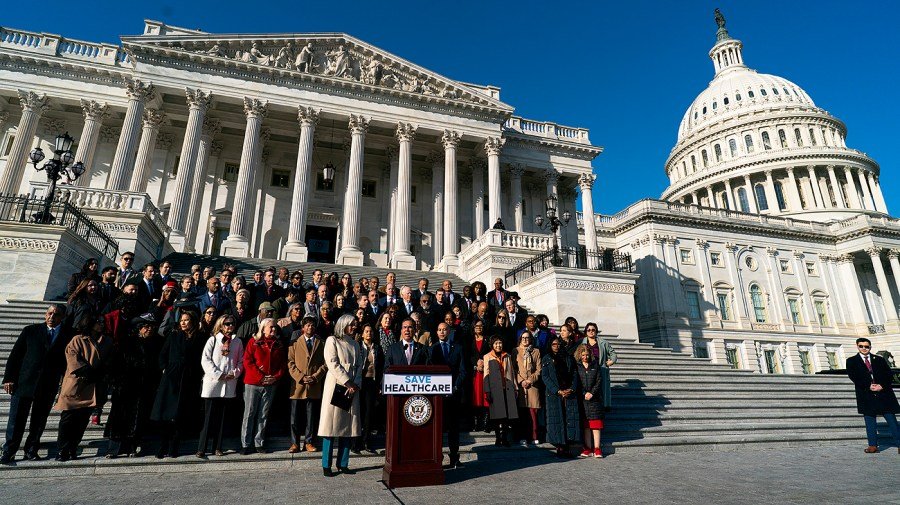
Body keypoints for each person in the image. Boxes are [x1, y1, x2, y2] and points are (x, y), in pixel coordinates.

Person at [1, 305, 70, 464]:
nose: (52, 317)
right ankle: (9, 451)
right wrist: (9, 378)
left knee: (39, 421)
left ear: (62, 317)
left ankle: (31, 450)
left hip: (48, 385)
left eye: (56, 314)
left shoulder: (68, 335)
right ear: (45, 315)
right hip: (24, 383)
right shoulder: (30, 331)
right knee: (16, 420)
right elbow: (15, 356)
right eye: (49, 313)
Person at [104, 313, 162, 458]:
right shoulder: (126, 343)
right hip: (125, 388)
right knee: (119, 419)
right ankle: (113, 449)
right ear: (139, 328)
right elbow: (113, 364)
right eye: (146, 326)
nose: (149, 329)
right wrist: (117, 383)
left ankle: (132, 447)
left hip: (144, 389)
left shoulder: (155, 344)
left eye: (152, 327)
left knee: (138, 419)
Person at [151, 311, 205, 458]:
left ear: (193, 321)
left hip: (188, 379)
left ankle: (174, 446)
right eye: (181, 320)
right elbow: (163, 354)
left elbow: (200, 358)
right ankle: (163, 445)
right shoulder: (174, 335)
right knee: (165, 414)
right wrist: (165, 369)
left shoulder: (199, 338)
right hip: (171, 378)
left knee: (180, 415)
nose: (183, 322)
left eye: (186, 320)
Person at [54, 316, 109, 461]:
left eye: (102, 322)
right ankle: (62, 450)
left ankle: (73, 448)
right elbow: (73, 359)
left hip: (93, 387)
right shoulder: (78, 339)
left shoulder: (106, 341)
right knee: (67, 420)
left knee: (82, 421)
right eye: (98, 322)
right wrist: (90, 371)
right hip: (76, 385)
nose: (101, 324)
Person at [318, 314, 363, 477]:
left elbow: (359, 365)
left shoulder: (355, 344)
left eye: (355, 324)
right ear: (343, 324)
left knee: (347, 428)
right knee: (330, 427)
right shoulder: (332, 340)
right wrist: (347, 382)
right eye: (351, 324)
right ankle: (326, 464)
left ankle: (343, 463)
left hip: (351, 389)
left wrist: (355, 383)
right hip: (336, 387)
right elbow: (332, 363)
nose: (354, 327)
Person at [197, 315, 244, 458]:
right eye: (227, 324)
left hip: (228, 383)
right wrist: (218, 374)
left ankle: (218, 447)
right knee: (208, 418)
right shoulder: (213, 340)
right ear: (221, 325)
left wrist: (234, 373)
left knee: (222, 419)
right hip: (213, 383)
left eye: (232, 323)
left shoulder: (237, 341)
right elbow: (205, 360)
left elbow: (241, 361)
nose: (230, 326)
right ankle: (202, 448)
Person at [240, 318, 286, 454]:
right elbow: (247, 361)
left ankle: (258, 442)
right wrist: (261, 377)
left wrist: (275, 377)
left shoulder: (278, 344)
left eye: (275, 327)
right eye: (271, 327)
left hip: (270, 384)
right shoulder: (254, 342)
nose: (273, 329)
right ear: (263, 328)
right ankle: (245, 443)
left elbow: (283, 364)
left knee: (263, 414)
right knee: (249, 413)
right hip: (253, 383)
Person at [846, 338, 900, 453]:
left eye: (866, 346)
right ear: (857, 346)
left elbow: (889, 375)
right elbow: (853, 376)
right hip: (866, 394)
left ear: (870, 347)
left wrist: (882, 386)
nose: (864, 348)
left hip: (884, 393)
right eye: (861, 346)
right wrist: (868, 386)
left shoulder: (879, 359)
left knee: (891, 420)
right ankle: (873, 445)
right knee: (869, 420)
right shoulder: (851, 361)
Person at [287, 316, 327, 454]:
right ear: (303, 328)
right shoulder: (294, 343)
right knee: (295, 416)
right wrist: (301, 377)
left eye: (312, 325)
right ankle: (294, 443)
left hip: (313, 384)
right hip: (298, 385)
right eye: (308, 325)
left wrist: (315, 377)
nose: (310, 327)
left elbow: (325, 363)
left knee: (311, 416)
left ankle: (309, 442)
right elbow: (290, 363)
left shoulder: (321, 343)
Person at [430, 322, 466, 467]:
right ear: (436, 332)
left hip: (454, 394)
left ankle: (454, 457)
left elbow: (463, 371)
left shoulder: (458, 348)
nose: (442, 332)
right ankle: (437, 458)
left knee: (454, 428)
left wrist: (455, 387)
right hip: (437, 395)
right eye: (439, 330)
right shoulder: (432, 349)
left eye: (444, 329)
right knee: (437, 427)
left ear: (449, 331)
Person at [542, 337, 581, 457]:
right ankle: (560, 446)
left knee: (568, 418)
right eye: (554, 344)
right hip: (554, 394)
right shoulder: (547, 358)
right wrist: (557, 391)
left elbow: (574, 374)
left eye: (558, 344)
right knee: (556, 419)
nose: (556, 346)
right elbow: (545, 377)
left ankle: (568, 446)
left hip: (568, 393)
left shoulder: (568, 357)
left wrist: (572, 388)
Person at [483, 335, 518, 446]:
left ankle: (505, 438)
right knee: (498, 415)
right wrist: (487, 390)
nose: (498, 345)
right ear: (492, 345)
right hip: (495, 389)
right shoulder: (487, 356)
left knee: (507, 415)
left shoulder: (507, 356)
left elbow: (512, 373)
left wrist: (515, 387)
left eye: (500, 343)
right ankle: (499, 438)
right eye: (496, 343)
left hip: (507, 388)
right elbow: (486, 374)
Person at [354, 323, 383, 454]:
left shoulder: (377, 348)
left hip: (372, 382)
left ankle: (366, 440)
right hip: (359, 382)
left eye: (370, 331)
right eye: (366, 331)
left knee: (368, 412)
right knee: (358, 411)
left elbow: (381, 366)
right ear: (362, 334)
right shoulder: (358, 346)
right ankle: (356, 442)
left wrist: (380, 384)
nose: (369, 333)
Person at [574, 344, 605, 458]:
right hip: (582, 400)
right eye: (583, 355)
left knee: (596, 425)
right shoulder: (577, 366)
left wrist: (592, 393)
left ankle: (597, 448)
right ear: (579, 355)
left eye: (587, 355)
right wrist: (584, 393)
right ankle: (588, 448)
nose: (585, 357)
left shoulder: (595, 365)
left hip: (594, 399)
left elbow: (599, 381)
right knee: (586, 426)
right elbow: (576, 382)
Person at [514, 331, 542, 447]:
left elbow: (539, 369)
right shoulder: (515, 351)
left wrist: (530, 380)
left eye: (527, 337)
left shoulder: (536, 351)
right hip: (521, 386)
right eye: (523, 338)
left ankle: (534, 436)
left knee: (533, 413)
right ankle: (523, 436)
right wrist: (521, 381)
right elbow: (514, 369)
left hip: (532, 386)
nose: (525, 340)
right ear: (520, 339)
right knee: (522, 413)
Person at [468, 319, 490, 432]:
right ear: (473, 327)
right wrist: (475, 364)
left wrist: (483, 363)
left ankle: (486, 423)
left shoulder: (488, 339)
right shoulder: (469, 340)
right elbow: (467, 354)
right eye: (476, 326)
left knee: (485, 397)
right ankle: (476, 423)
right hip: (475, 373)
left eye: (481, 326)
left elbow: (491, 353)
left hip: (486, 372)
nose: (479, 327)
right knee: (475, 397)